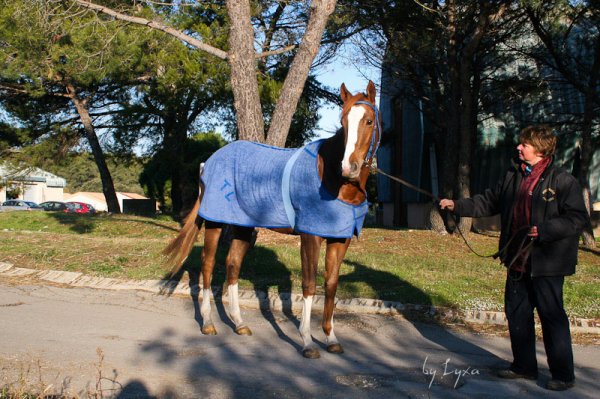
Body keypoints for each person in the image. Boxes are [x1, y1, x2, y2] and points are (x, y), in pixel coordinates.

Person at [439, 125, 589, 391]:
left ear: (541, 150)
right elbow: (489, 202)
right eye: (520, 144)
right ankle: (523, 367)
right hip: (517, 258)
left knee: (551, 316)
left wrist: (545, 230)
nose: (519, 148)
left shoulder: (563, 180)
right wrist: (457, 205)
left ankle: (564, 375)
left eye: (525, 145)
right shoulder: (513, 175)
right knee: (517, 314)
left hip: (548, 262)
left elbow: (577, 219)